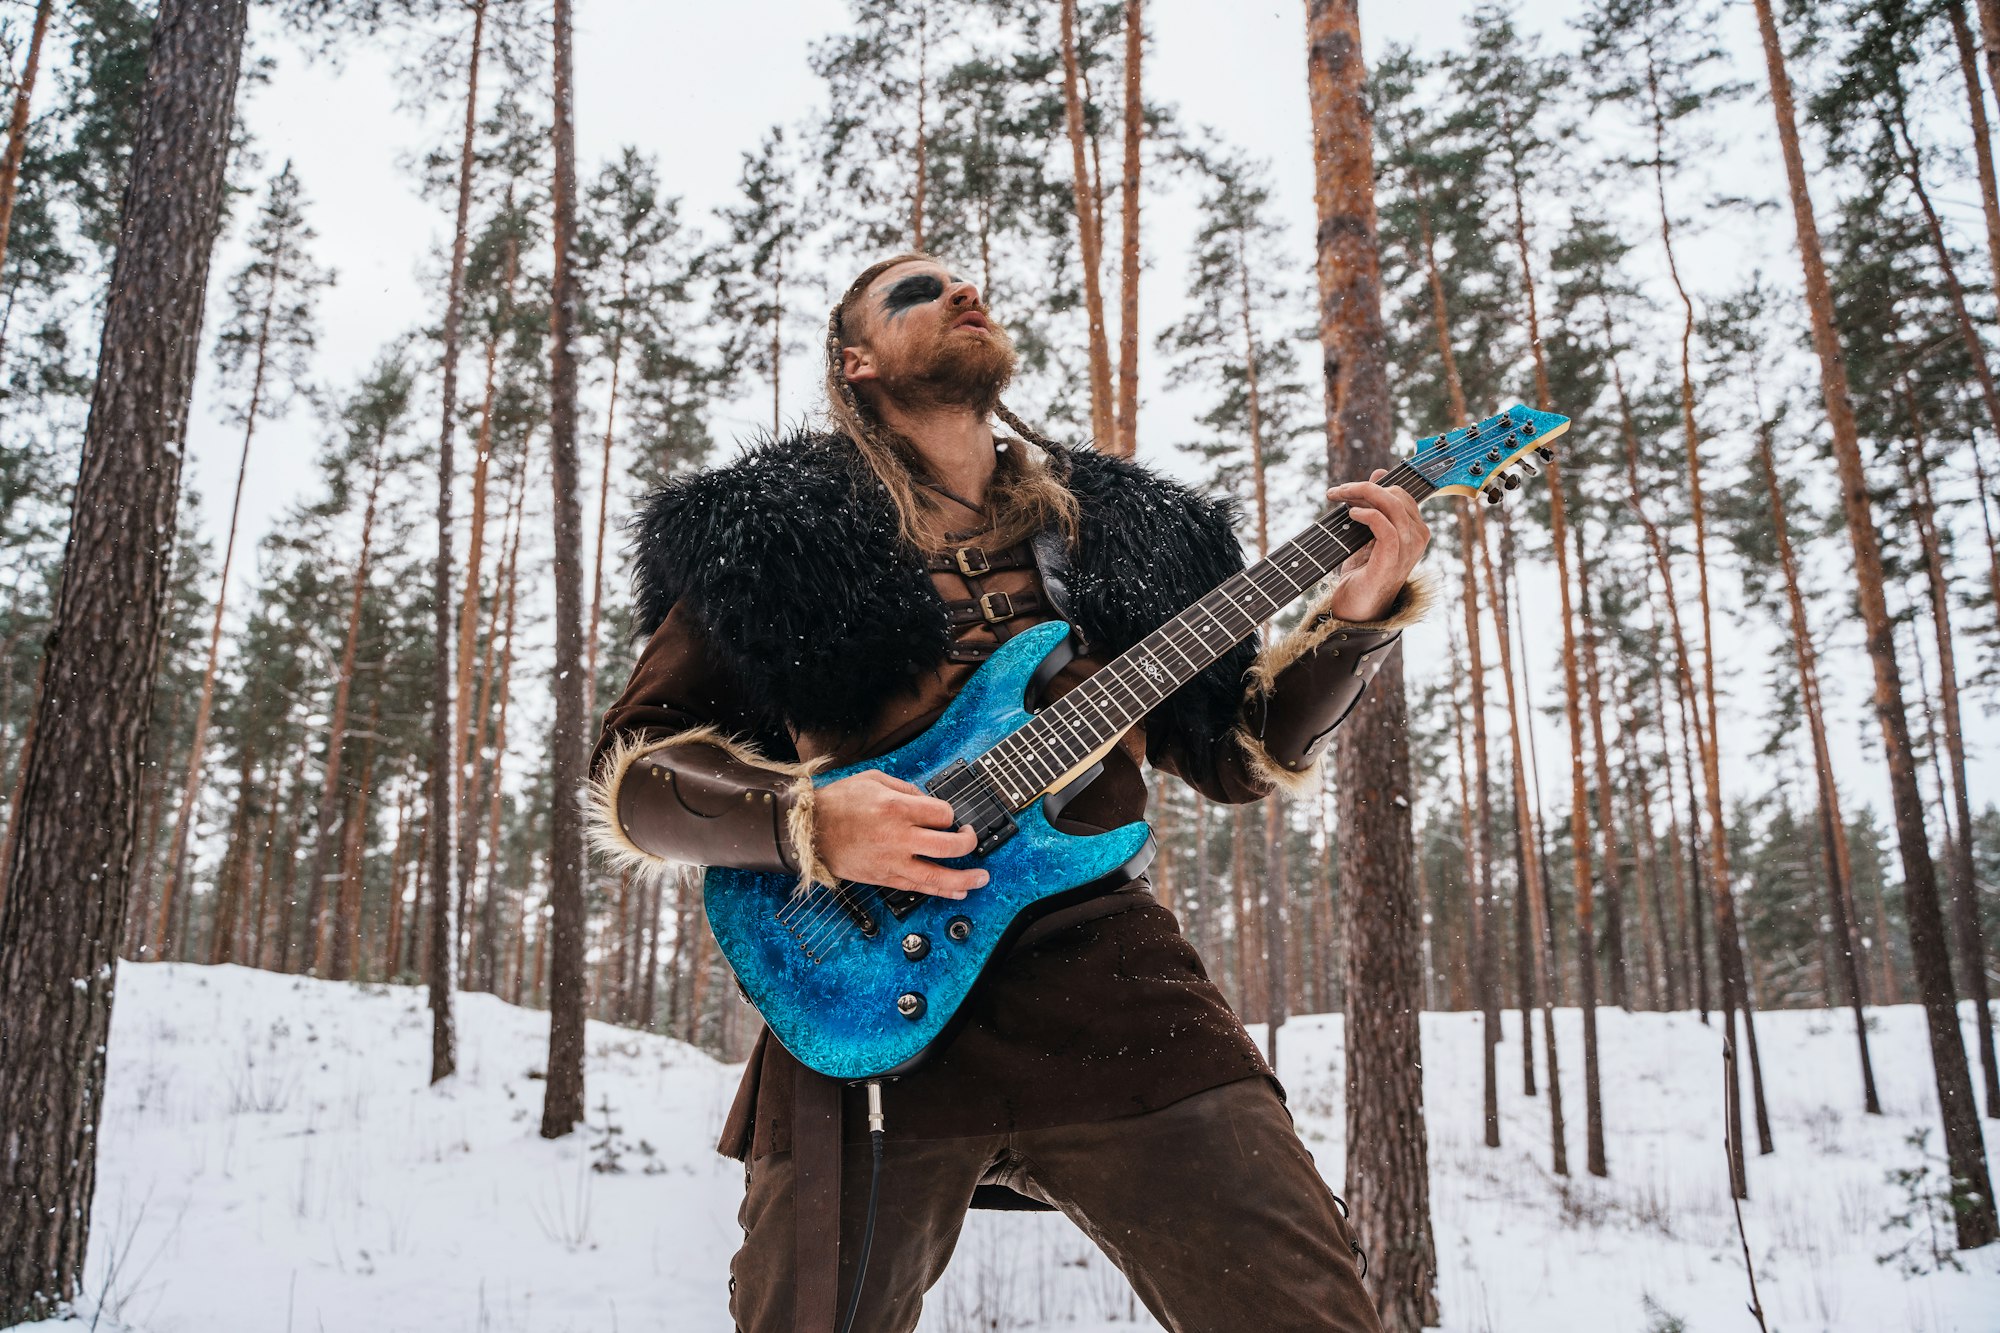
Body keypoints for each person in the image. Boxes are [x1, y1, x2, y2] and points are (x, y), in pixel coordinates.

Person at [586, 252, 1432, 1333]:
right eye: (915, 292)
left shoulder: (1128, 531)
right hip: (862, 983)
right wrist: (805, 820)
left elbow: (1235, 753)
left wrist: (1353, 619)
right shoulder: (767, 535)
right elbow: (636, 764)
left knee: (1308, 1312)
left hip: (1107, 973)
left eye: (967, 283)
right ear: (854, 361)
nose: (960, 292)